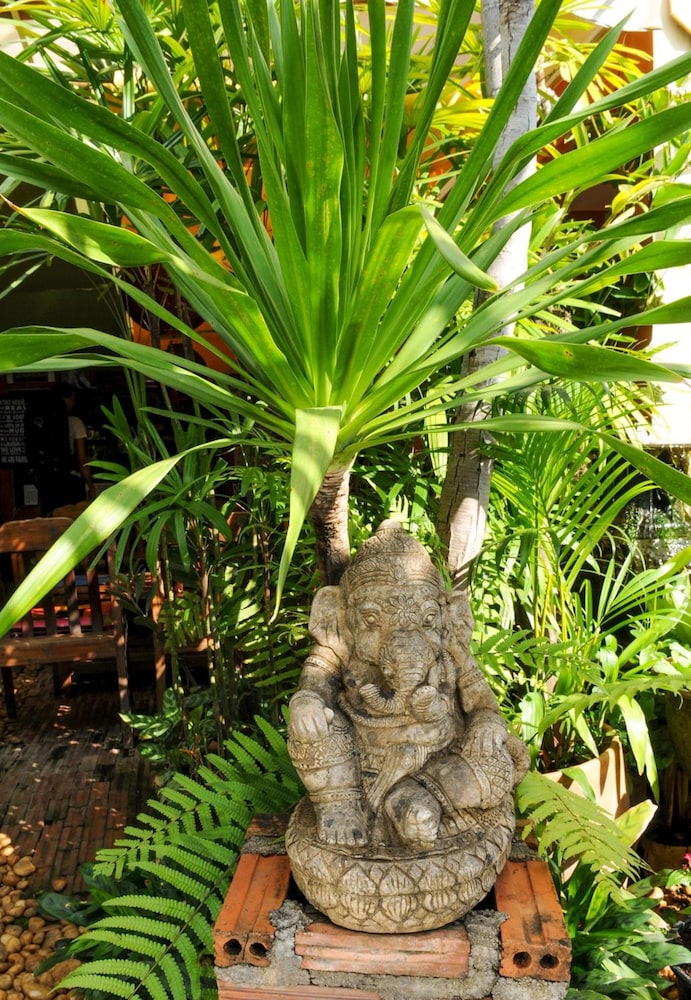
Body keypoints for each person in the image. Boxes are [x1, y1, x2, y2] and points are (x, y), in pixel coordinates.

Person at [28, 382, 95, 515]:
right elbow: (82, 459)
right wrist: (91, 485)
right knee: (72, 518)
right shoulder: (75, 422)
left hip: (47, 481)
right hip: (69, 480)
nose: (73, 404)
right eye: (72, 400)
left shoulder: (40, 423)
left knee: (52, 518)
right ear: (64, 399)